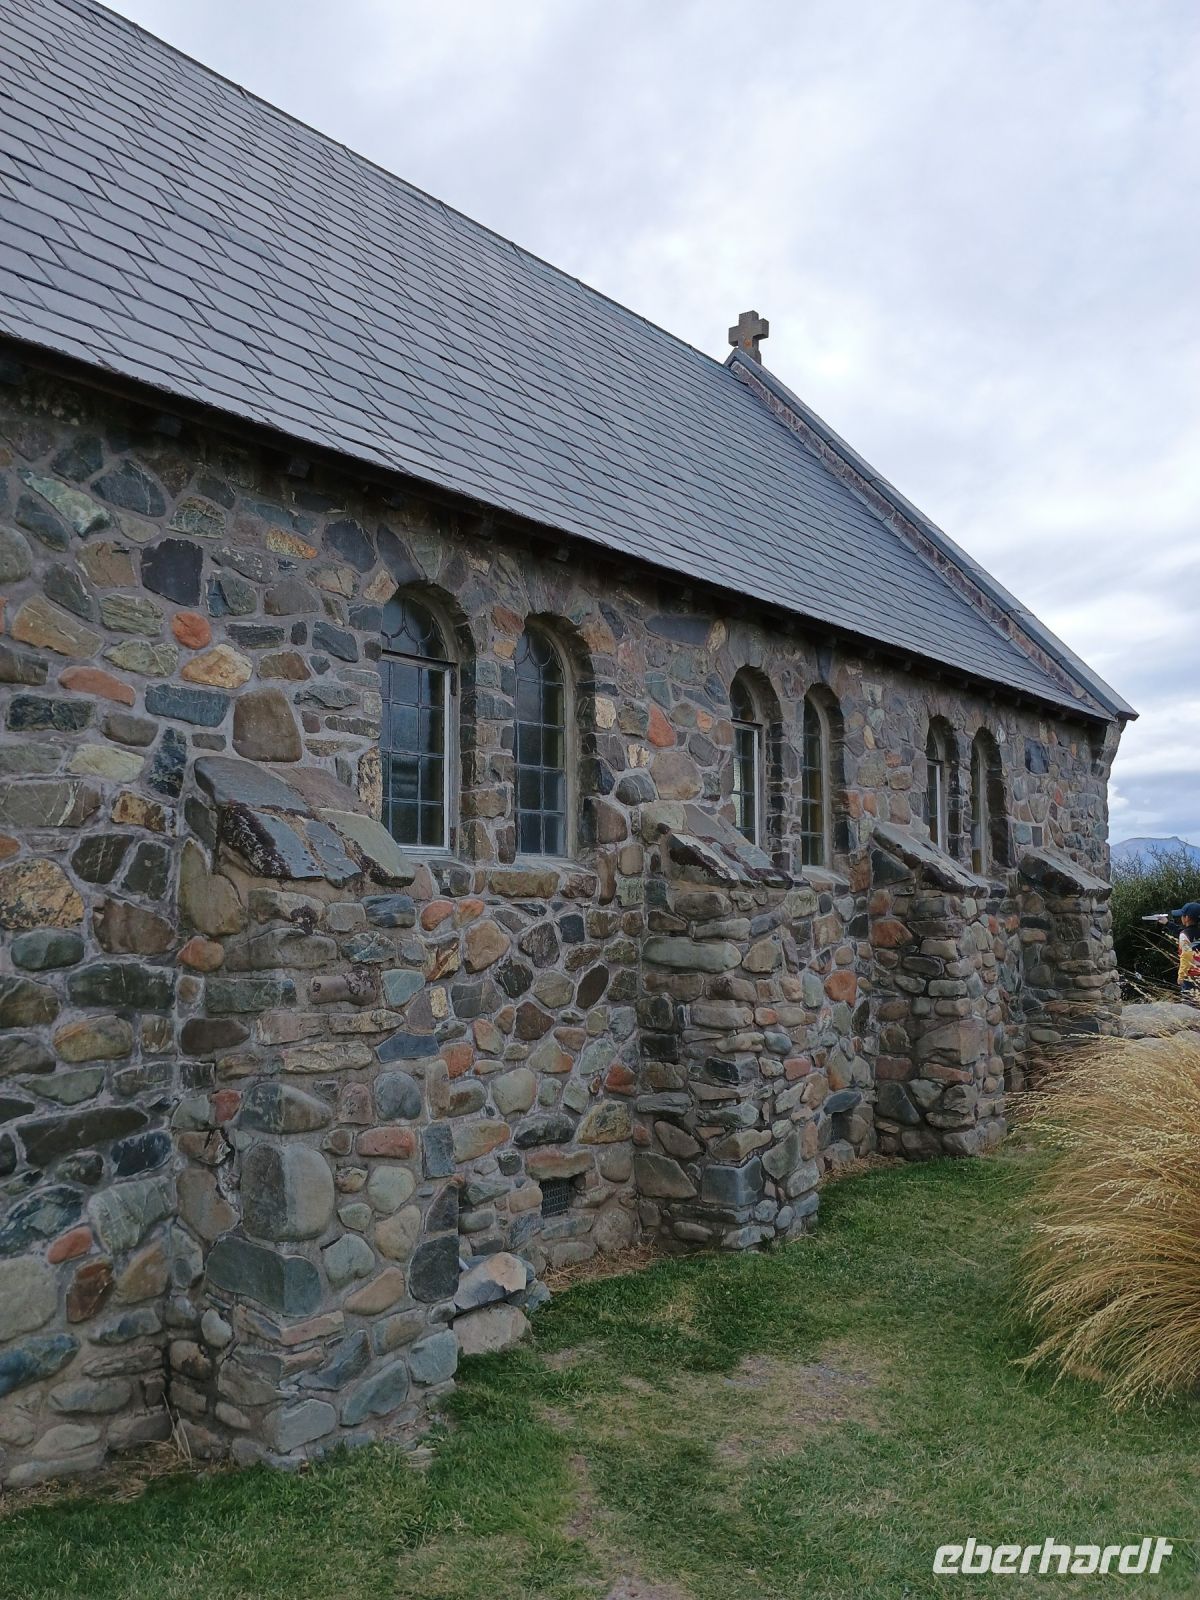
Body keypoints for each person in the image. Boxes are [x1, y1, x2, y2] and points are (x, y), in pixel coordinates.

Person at [1174, 902, 1200, 1002]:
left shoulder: (1184, 935)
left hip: (1190, 975)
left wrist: (1181, 975)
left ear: (1187, 918)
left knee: (1189, 1004)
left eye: (1182, 915)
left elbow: (1186, 956)